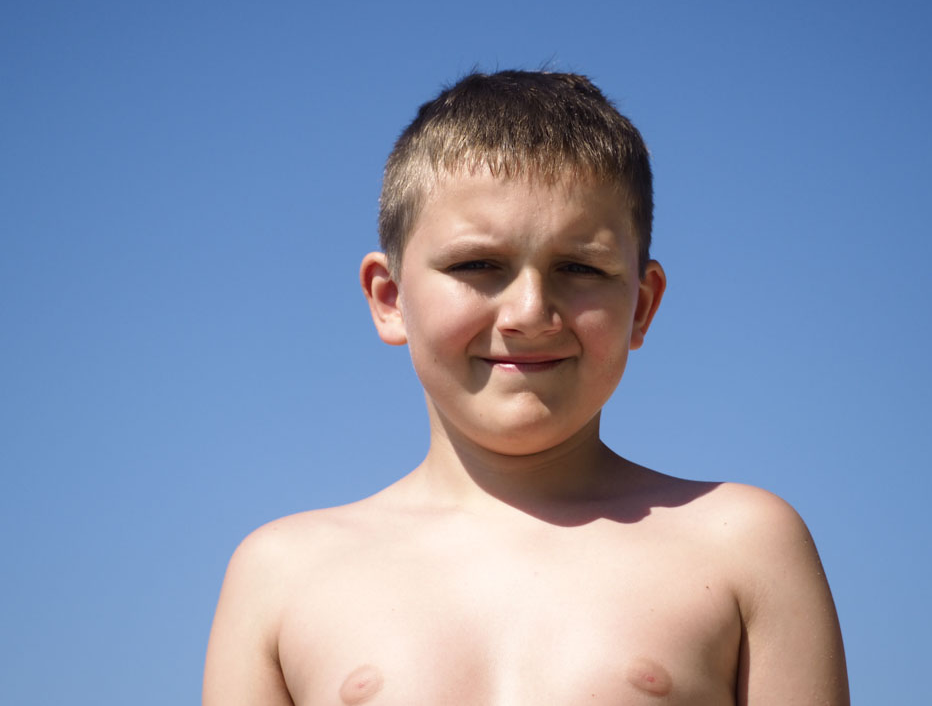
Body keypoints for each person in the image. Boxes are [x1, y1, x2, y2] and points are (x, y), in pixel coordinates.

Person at [203, 70, 849, 706]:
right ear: (390, 298)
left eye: (580, 268)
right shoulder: (281, 576)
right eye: (477, 264)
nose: (530, 313)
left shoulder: (743, 547)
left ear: (642, 306)